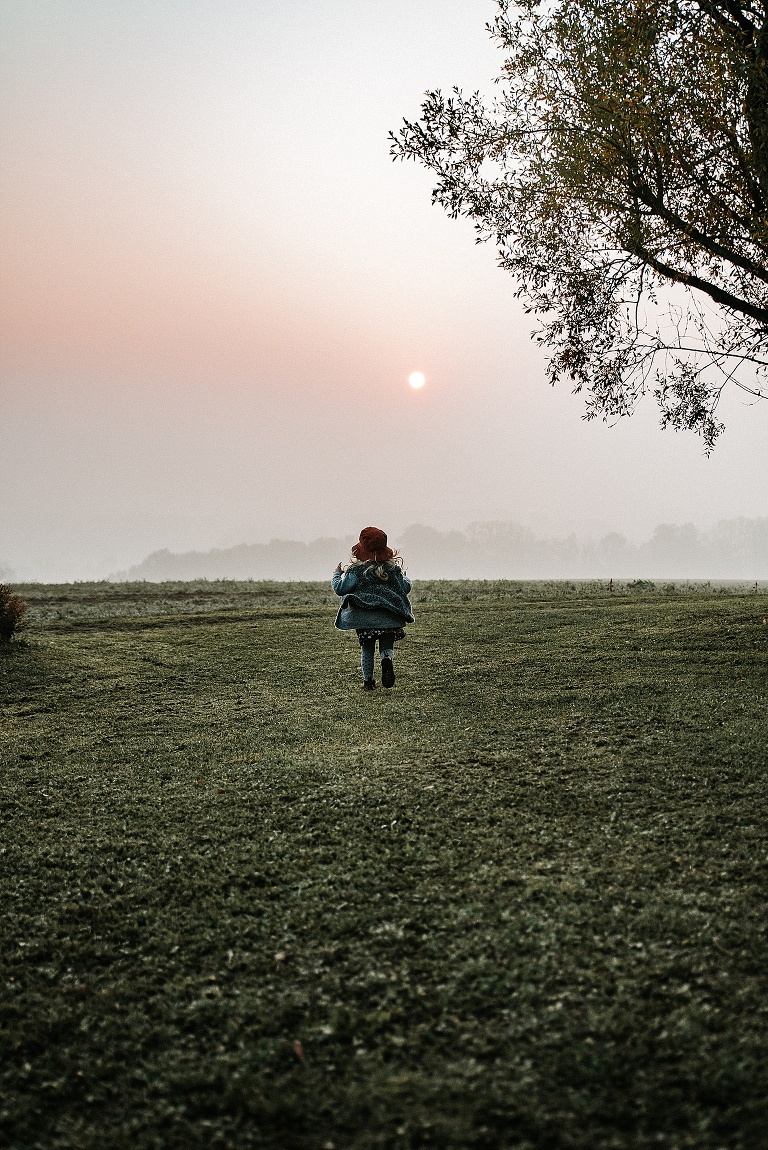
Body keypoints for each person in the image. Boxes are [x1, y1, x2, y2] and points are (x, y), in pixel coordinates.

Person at [332, 527, 414, 690]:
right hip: (389, 617)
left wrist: (336, 574)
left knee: (367, 649)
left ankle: (368, 682)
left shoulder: (356, 571)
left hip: (364, 618)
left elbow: (340, 589)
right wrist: (404, 576)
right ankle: (386, 660)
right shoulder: (392, 569)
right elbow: (405, 588)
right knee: (386, 645)